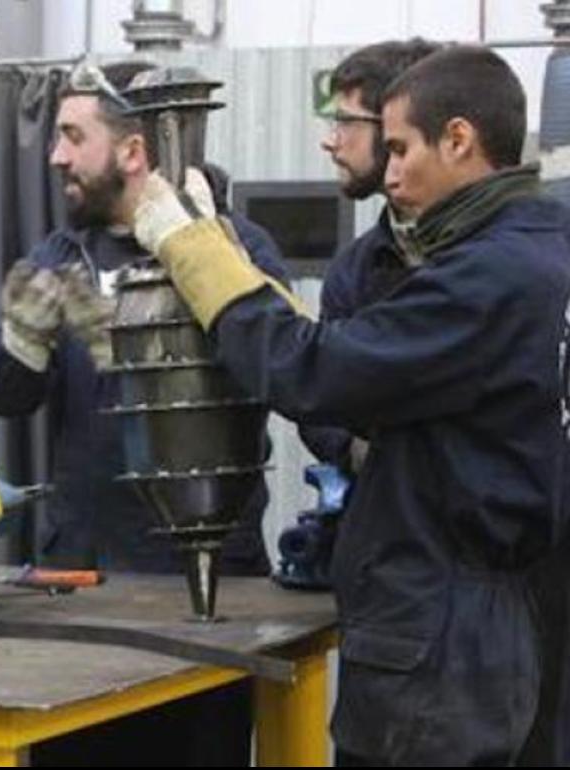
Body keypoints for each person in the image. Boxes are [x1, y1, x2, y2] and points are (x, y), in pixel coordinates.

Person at [132, 46, 570, 765]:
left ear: (458, 139)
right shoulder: (543, 251)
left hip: (441, 634)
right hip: (489, 628)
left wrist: (191, 251)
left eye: (400, 149)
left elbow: (311, 371)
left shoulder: (489, 276)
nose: (388, 173)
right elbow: (353, 354)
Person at [0, 61, 290, 766]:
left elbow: (287, 368)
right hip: (86, 591)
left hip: (209, 593)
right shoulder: (60, 257)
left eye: (71, 136)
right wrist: (20, 341)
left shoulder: (235, 249)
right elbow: (3, 397)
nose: (55, 156)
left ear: (133, 151)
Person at [299, 38, 440, 471]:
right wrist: (367, 457)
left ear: (396, 124)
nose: (330, 142)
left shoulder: (497, 255)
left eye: (345, 122)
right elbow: (320, 404)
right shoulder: (356, 270)